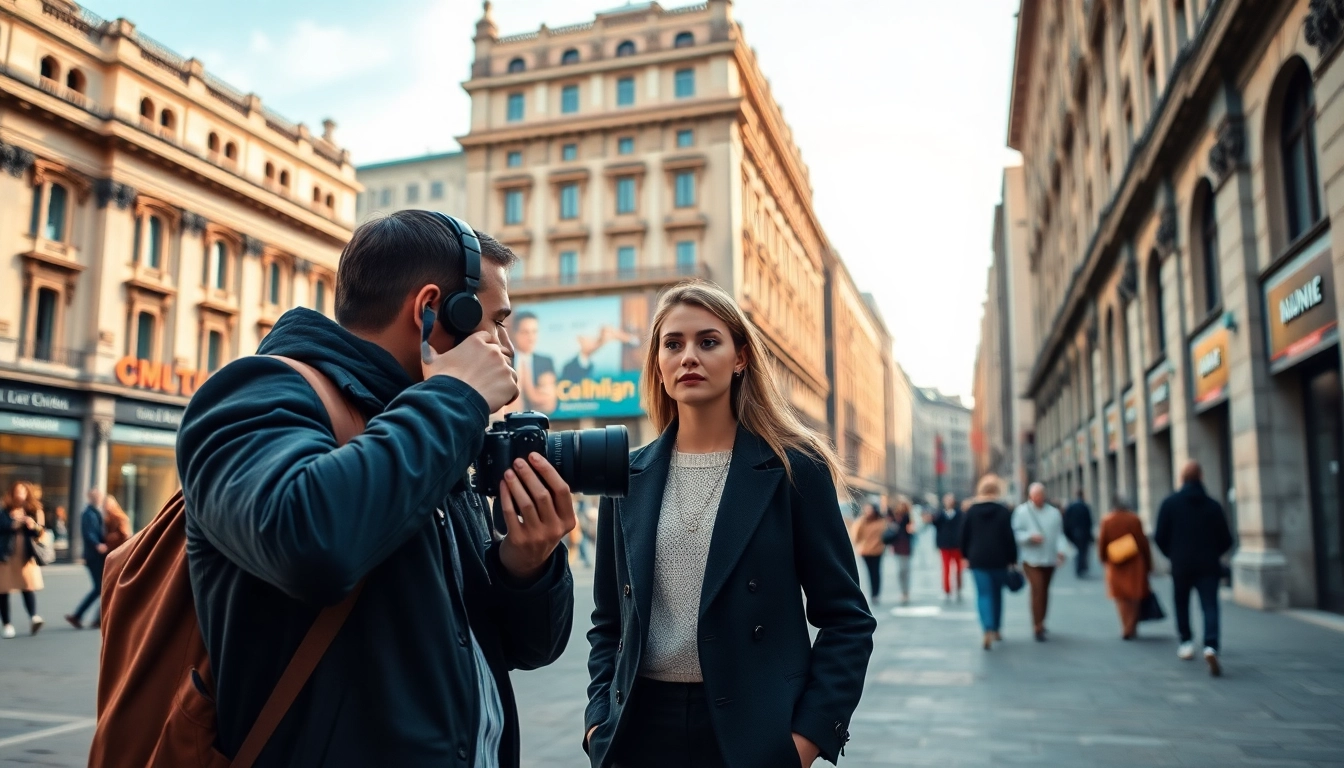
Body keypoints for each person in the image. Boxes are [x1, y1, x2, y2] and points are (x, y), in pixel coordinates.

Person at [176, 210, 575, 767]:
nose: (506, 346)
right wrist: (455, 399)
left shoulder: (427, 431)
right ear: (431, 310)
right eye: (496, 321)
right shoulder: (256, 391)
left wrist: (524, 567)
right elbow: (310, 542)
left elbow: (522, 649)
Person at [585, 280, 875, 768]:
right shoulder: (628, 475)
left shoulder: (793, 470)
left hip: (752, 733)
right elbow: (608, 621)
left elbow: (847, 619)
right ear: (657, 361)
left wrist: (804, 741)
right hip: (638, 732)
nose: (688, 357)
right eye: (673, 344)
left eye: (708, 341)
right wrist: (598, 720)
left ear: (741, 357)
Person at [1155, 460, 1233, 677]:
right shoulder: (1213, 505)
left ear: (1182, 478)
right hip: (1208, 564)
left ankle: (1186, 642)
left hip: (1181, 564)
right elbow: (1226, 539)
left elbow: (1160, 536)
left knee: (1182, 603)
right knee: (1209, 605)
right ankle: (1211, 645)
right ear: (1201, 478)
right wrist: (1213, 553)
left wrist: (1173, 554)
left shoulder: (1170, 504)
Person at [959, 475, 1017, 651]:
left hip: (978, 559)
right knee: (997, 594)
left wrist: (965, 555)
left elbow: (963, 536)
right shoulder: (1003, 510)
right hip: (999, 558)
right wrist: (1012, 559)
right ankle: (997, 629)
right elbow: (1009, 537)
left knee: (983, 594)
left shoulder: (971, 511)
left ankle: (987, 628)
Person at [1012, 483, 1068, 641]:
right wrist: (1029, 537)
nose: (1037, 498)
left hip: (1049, 558)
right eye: (1034, 495)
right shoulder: (1022, 512)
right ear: (1030, 496)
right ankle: (1036, 625)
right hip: (1030, 558)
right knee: (1037, 589)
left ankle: (1042, 621)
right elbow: (1015, 534)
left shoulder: (1054, 513)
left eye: (1040, 495)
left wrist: (1061, 551)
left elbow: (1059, 535)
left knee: (1044, 590)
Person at [1097, 495, 1153, 640]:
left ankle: (1125, 626)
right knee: (1135, 595)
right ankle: (1131, 625)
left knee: (1120, 596)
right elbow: (1142, 542)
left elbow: (1102, 541)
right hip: (1135, 562)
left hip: (1115, 561)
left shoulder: (1107, 520)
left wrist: (1103, 558)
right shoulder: (1134, 519)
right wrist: (1148, 563)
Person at [0, 481, 46, 638]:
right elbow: (3, 526)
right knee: (3, 589)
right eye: (18, 492)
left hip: (25, 554)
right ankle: (7, 625)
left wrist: (33, 526)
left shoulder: (32, 510)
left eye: (23, 492)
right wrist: (16, 523)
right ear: (12, 494)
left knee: (28, 586)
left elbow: (40, 531)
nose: (20, 495)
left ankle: (34, 617)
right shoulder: (4, 510)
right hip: (5, 555)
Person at [65, 488, 107, 630]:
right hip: (93, 556)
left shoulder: (95, 512)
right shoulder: (88, 514)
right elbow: (89, 533)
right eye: (96, 496)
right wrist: (98, 545)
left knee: (101, 588)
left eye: (100, 496)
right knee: (99, 588)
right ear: (90, 497)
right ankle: (79, 615)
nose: (99, 498)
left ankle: (94, 618)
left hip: (97, 556)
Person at [510, 311, 557, 413]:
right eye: (525, 332)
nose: (531, 338)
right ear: (515, 334)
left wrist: (530, 391)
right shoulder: (504, 361)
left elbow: (549, 404)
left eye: (534, 332)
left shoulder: (546, 362)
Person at [923, 493, 965, 602]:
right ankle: (947, 590)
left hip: (957, 545)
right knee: (946, 568)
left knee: (959, 569)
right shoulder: (940, 514)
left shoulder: (960, 513)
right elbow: (934, 523)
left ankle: (959, 589)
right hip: (945, 545)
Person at [851, 502, 887, 605]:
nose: (868, 512)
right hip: (865, 551)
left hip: (877, 551)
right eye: (866, 510)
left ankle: (875, 594)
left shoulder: (881, 522)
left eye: (870, 509)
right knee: (869, 573)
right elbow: (856, 535)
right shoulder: (862, 521)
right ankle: (873, 594)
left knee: (875, 573)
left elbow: (885, 536)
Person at [885, 500, 915, 605]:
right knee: (900, 571)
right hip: (897, 545)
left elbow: (912, 530)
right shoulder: (895, 517)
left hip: (906, 545)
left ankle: (906, 592)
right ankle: (903, 592)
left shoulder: (908, 517)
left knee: (905, 569)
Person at [1063, 489, 1094, 577]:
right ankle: (1081, 567)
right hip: (1083, 533)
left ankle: (1080, 567)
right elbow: (1089, 521)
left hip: (1074, 533)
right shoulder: (1084, 506)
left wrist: (1067, 534)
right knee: (1082, 551)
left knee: (1078, 551)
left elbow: (1066, 521)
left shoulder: (1071, 507)